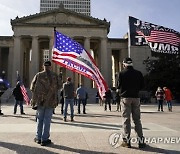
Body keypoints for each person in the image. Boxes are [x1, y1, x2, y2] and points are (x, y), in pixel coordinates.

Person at [30, 61, 61, 146]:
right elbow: (60, 86)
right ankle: (45, 139)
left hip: (40, 101)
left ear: (43, 66)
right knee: (47, 120)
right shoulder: (54, 76)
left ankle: (38, 137)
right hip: (51, 101)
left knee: (40, 119)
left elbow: (32, 87)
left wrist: (39, 94)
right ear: (50, 67)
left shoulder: (38, 75)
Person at [117, 57, 146, 148]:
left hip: (126, 98)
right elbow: (142, 86)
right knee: (137, 120)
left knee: (126, 119)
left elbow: (118, 85)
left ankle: (126, 141)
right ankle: (141, 141)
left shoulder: (121, 73)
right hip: (136, 98)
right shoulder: (138, 73)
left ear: (124, 64)